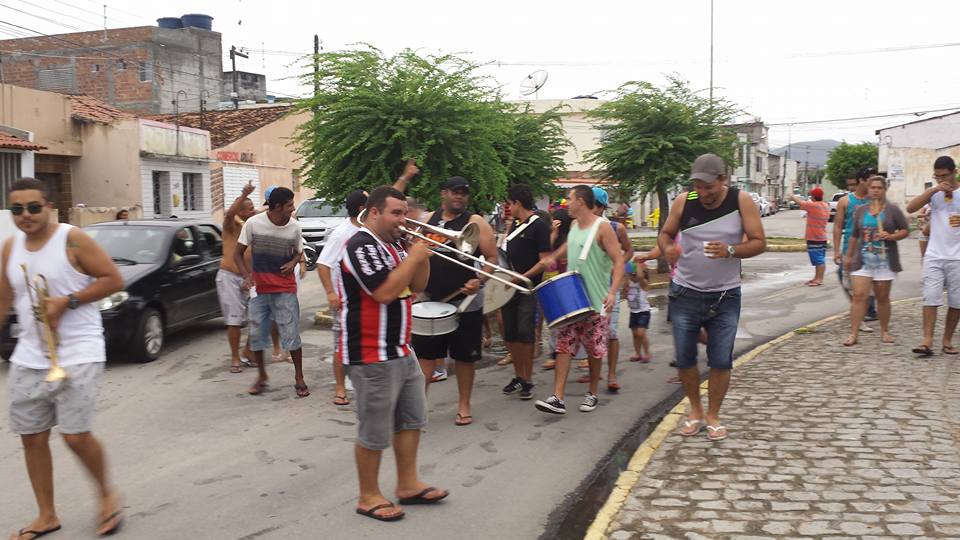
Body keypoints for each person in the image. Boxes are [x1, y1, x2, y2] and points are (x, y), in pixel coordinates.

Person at [1, 178, 126, 538]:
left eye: (33, 207)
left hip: (78, 349)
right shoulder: (10, 248)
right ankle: (46, 515)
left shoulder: (73, 239)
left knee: (75, 436)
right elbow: (3, 299)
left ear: (49, 207)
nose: (25, 215)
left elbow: (113, 279)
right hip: (29, 355)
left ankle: (107, 495)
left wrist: (66, 302)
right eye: (17, 209)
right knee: (31, 437)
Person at [339, 186, 448, 522]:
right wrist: (414, 257)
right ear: (374, 213)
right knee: (374, 428)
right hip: (371, 352)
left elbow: (417, 286)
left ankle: (408, 484)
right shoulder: (360, 245)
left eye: (404, 213)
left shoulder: (396, 245)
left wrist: (421, 255)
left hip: (401, 348)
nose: (403, 220)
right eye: (396, 213)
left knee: (411, 419)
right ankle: (368, 495)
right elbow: (385, 292)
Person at [659, 154, 766, 441]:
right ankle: (695, 410)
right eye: (698, 186)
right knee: (685, 358)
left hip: (725, 295)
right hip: (685, 292)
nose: (703, 192)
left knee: (721, 360)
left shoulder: (740, 200)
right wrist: (667, 248)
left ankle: (713, 415)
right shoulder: (685, 200)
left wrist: (730, 250)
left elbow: (759, 242)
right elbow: (666, 234)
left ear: (723, 180)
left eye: (708, 186)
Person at [412, 176, 498, 426]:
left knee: (464, 357)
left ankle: (464, 405)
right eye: (455, 191)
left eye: (464, 192)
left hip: (465, 301)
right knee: (425, 357)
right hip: (431, 301)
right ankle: (417, 409)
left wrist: (479, 280)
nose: (460, 196)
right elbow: (415, 251)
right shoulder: (429, 219)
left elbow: (492, 257)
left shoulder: (475, 222)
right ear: (444, 193)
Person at [534, 185, 624, 415]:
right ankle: (558, 397)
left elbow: (618, 260)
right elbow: (569, 246)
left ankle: (592, 393)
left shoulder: (603, 227)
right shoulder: (574, 226)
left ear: (581, 202)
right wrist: (553, 257)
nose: (567, 203)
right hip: (572, 300)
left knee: (594, 350)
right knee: (563, 346)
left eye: (570, 198)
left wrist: (612, 292)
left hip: (596, 301)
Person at [234, 187, 309, 397]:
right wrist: (246, 276)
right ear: (277, 207)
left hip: (285, 288)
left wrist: (293, 262)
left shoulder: (294, 227)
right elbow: (237, 254)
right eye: (290, 205)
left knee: (291, 334)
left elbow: (299, 251)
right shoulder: (253, 224)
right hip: (259, 289)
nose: (293, 209)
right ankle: (261, 376)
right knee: (256, 335)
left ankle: (299, 378)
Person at [500, 184, 552, 401]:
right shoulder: (514, 225)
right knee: (510, 333)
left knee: (525, 333)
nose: (508, 208)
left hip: (527, 288)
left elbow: (544, 261)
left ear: (517, 203)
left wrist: (521, 277)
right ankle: (518, 376)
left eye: (509, 204)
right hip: (509, 287)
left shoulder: (539, 226)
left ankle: (528, 379)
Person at [844, 176, 909, 346]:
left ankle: (884, 331)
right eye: (872, 187)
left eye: (879, 188)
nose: (875, 190)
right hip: (863, 259)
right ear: (868, 189)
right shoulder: (861, 210)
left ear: (884, 190)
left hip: (884, 260)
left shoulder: (892, 210)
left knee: (882, 297)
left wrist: (891, 236)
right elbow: (854, 235)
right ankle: (853, 334)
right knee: (859, 296)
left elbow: (905, 230)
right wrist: (848, 256)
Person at [317, 189, 368, 405]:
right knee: (341, 345)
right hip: (345, 301)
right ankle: (340, 389)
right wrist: (331, 293)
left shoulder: (368, 230)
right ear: (361, 208)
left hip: (367, 300)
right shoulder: (342, 233)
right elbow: (323, 264)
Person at [907, 156, 960, 356]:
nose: (941, 180)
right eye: (937, 176)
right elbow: (910, 208)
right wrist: (933, 190)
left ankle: (947, 340)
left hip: (957, 257)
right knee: (930, 296)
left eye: (944, 176)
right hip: (934, 254)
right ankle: (927, 340)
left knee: (957, 301)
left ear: (954, 172)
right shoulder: (934, 194)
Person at [586, 186, 633, 392]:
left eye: (592, 206)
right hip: (588, 286)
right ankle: (593, 372)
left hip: (608, 287)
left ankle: (611, 374)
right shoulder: (581, 226)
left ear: (601, 207)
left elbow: (629, 250)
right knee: (590, 331)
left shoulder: (616, 228)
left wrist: (618, 264)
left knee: (611, 332)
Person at [217, 181, 259, 373]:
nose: (254, 211)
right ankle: (235, 358)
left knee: (259, 316)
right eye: (250, 209)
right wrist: (243, 195)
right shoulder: (230, 227)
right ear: (240, 211)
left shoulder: (252, 226)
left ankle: (248, 351)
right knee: (234, 320)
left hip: (250, 278)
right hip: (229, 276)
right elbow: (229, 214)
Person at [835, 167, 879, 326]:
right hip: (850, 249)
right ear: (861, 180)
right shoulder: (845, 201)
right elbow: (838, 226)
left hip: (870, 249)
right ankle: (860, 310)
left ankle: (864, 312)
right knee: (845, 279)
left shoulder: (874, 200)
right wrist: (836, 251)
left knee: (869, 284)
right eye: (870, 180)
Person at [542, 207, 573, 371]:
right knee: (555, 323)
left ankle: (581, 355)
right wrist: (552, 235)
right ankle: (554, 354)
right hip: (552, 286)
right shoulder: (551, 240)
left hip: (568, 285)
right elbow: (544, 256)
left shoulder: (571, 239)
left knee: (574, 322)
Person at [791, 187, 830, 286]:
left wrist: (791, 196)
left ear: (813, 196)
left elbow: (800, 203)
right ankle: (816, 278)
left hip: (815, 237)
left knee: (819, 260)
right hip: (821, 237)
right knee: (818, 259)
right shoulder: (825, 205)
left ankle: (819, 279)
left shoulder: (814, 206)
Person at [626, 260, 652, 362]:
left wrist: (637, 265)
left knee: (641, 333)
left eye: (635, 274)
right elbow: (627, 273)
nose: (634, 276)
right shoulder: (629, 282)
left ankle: (647, 353)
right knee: (635, 334)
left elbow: (640, 276)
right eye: (633, 274)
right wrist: (628, 265)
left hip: (643, 311)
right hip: (633, 312)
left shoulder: (643, 283)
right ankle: (637, 353)